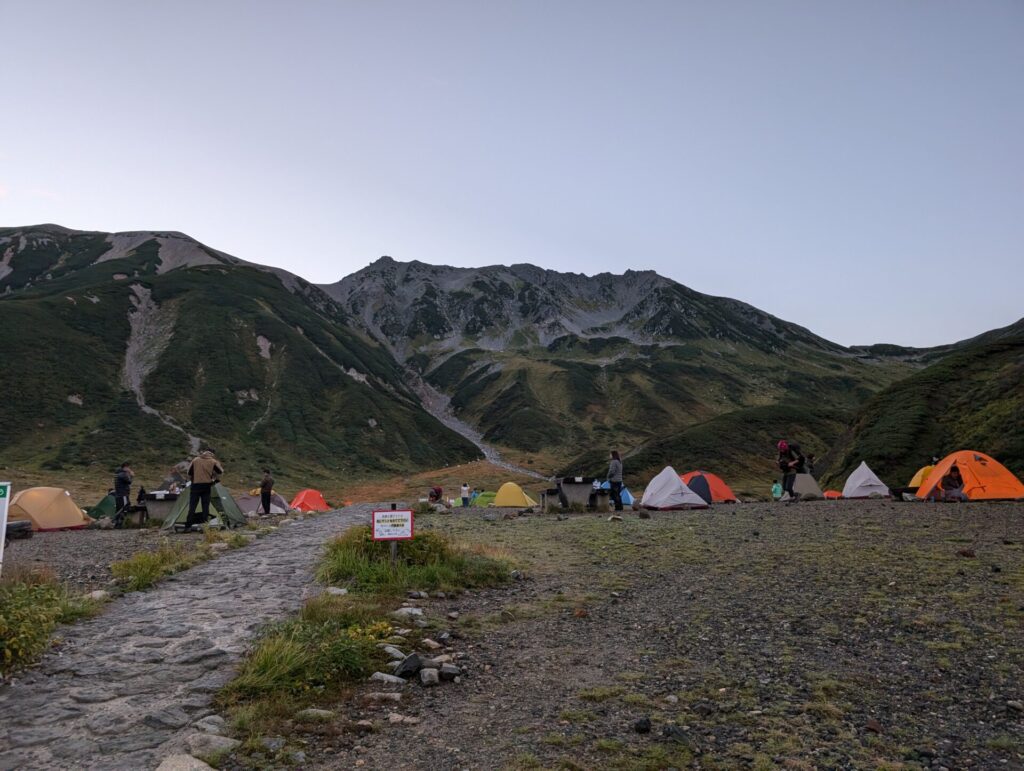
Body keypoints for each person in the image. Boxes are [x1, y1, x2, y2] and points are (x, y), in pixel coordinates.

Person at [185, 450, 224, 530]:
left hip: (195, 485)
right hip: (207, 485)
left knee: (192, 506)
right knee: (205, 506)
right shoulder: (213, 461)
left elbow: (189, 472)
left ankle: (188, 526)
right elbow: (220, 471)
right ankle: (205, 525)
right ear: (211, 455)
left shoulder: (195, 460)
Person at [113, 462, 134, 529]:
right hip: (123, 495)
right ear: (125, 467)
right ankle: (120, 524)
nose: (129, 469)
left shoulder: (118, 474)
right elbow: (129, 481)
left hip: (119, 495)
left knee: (119, 509)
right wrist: (131, 475)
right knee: (124, 508)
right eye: (128, 467)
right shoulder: (123, 474)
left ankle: (117, 523)